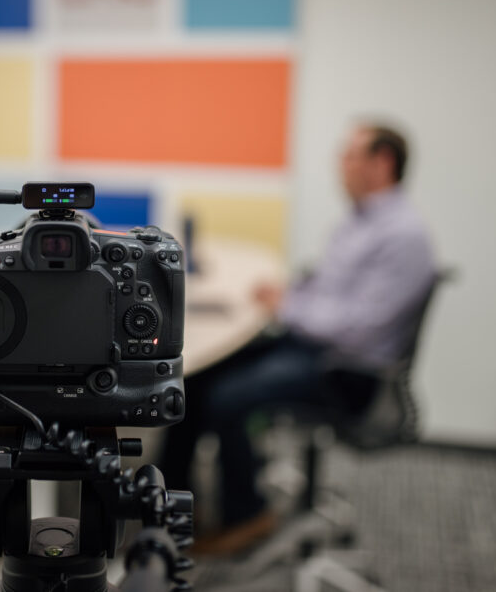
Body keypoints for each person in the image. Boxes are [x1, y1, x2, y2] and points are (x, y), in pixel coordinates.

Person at [161, 121, 436, 556]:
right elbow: (332, 291)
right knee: (193, 379)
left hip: (345, 369)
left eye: (350, 155)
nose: (340, 165)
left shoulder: (403, 236)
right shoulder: (363, 221)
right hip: (316, 345)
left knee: (226, 397)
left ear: (382, 163)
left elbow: (359, 326)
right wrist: (288, 296)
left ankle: (247, 514)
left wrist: (286, 307)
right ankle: (170, 512)